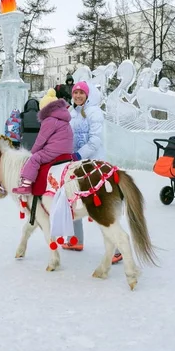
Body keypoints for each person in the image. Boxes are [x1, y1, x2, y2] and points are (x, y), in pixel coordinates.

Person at [62, 81, 123, 264]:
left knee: (99, 206)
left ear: (87, 95)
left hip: (94, 165)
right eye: (75, 93)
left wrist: (78, 155)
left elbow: (95, 141)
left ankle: (117, 249)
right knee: (73, 198)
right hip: (76, 164)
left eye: (81, 92)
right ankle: (76, 240)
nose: (78, 95)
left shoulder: (95, 112)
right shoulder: (72, 113)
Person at [11, 88, 73, 195]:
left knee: (35, 159)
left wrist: (34, 151)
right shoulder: (63, 118)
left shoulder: (49, 120)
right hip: (66, 150)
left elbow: (41, 139)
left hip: (55, 151)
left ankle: (26, 184)